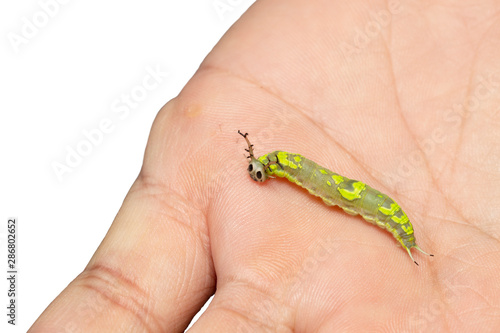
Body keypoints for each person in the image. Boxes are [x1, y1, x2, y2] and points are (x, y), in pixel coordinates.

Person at [30, 1, 500, 331]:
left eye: (264, 170)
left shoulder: (296, 170)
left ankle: (406, 238)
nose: (262, 175)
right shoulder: (289, 169)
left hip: (387, 212)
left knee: (359, 199)